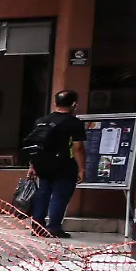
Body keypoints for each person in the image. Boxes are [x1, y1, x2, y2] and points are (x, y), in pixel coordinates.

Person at [24, 89, 87, 239]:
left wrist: (32, 166)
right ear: (74, 104)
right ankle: (54, 228)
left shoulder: (41, 121)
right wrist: (82, 168)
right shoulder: (74, 123)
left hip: (42, 164)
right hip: (64, 165)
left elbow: (35, 146)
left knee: (43, 194)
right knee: (60, 196)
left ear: (55, 103)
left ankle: (37, 226)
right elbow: (78, 147)